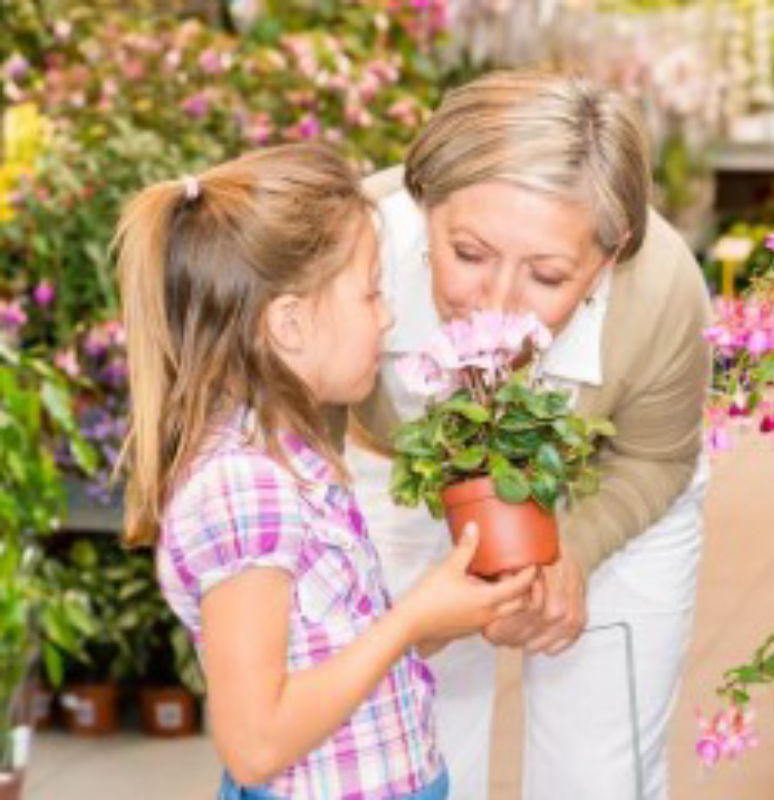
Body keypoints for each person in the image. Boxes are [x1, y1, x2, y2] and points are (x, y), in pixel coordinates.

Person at [115, 143, 536, 800]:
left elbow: (323, 654)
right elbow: (256, 745)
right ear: (288, 324)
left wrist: (435, 620)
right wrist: (410, 621)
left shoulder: (292, 456)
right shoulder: (243, 487)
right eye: (370, 293)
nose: (387, 316)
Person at [346, 70, 712, 799]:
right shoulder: (354, 247)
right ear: (426, 208)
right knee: (413, 752)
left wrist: (570, 550)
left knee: (597, 774)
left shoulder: (662, 288)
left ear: (610, 258)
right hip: (402, 485)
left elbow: (653, 454)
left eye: (547, 275)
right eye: (469, 254)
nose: (498, 300)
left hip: (607, 488)